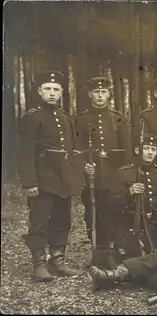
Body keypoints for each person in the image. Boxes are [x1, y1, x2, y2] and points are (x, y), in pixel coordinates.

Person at [17, 70, 84, 282]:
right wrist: (30, 182)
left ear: (62, 92)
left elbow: (72, 151)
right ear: (40, 92)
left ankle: (58, 260)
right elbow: (24, 153)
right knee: (39, 221)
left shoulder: (66, 118)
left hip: (63, 179)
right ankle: (39, 264)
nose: (52, 93)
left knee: (62, 220)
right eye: (48, 89)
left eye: (56, 89)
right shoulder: (32, 117)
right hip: (42, 180)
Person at [73, 76, 132, 269]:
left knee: (114, 213)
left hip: (115, 177)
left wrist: (126, 175)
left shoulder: (119, 118)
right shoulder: (80, 120)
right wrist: (83, 165)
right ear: (90, 94)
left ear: (109, 94)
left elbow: (127, 150)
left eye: (104, 92)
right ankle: (97, 252)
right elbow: (76, 149)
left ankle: (112, 251)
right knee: (92, 214)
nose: (100, 95)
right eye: (96, 92)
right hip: (92, 178)